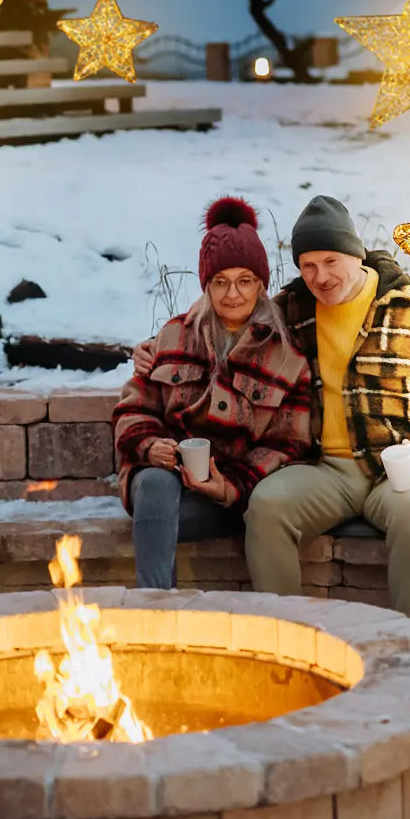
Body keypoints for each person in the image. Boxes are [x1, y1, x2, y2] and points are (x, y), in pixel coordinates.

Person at [132, 195, 410, 621]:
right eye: (308, 265)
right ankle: (288, 638)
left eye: (331, 261)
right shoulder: (293, 308)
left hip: (397, 466)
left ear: (355, 254)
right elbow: (225, 320)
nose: (321, 276)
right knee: (267, 507)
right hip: (325, 470)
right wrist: (152, 350)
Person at [113, 197, 313, 590]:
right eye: (219, 282)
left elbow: (290, 445)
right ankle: (157, 611)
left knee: (164, 517)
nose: (232, 294)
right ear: (206, 285)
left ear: (261, 284)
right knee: (155, 483)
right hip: (162, 487)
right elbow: (133, 407)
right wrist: (151, 446)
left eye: (244, 281)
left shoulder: (286, 355)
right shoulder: (175, 335)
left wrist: (228, 486)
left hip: (228, 499)